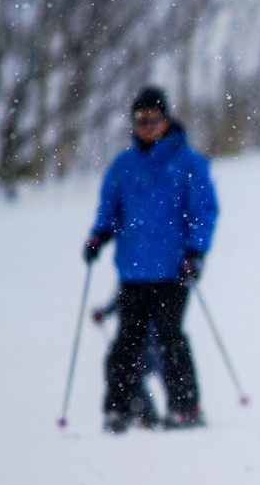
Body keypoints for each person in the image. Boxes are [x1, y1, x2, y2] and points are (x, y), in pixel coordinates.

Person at [83, 86, 219, 433]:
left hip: (173, 270)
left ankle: (185, 408)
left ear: (166, 119)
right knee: (126, 342)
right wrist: (99, 235)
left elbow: (203, 211)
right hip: (133, 271)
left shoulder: (188, 162)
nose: (147, 127)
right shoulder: (124, 165)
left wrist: (195, 252)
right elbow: (110, 208)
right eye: (140, 120)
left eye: (153, 119)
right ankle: (120, 409)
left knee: (171, 337)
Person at [90, 288, 163, 427]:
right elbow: (120, 297)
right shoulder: (131, 284)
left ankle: (141, 414)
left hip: (149, 342)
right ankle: (139, 414)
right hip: (139, 341)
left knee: (131, 372)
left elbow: (120, 298)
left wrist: (106, 312)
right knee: (127, 371)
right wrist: (105, 312)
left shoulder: (145, 284)